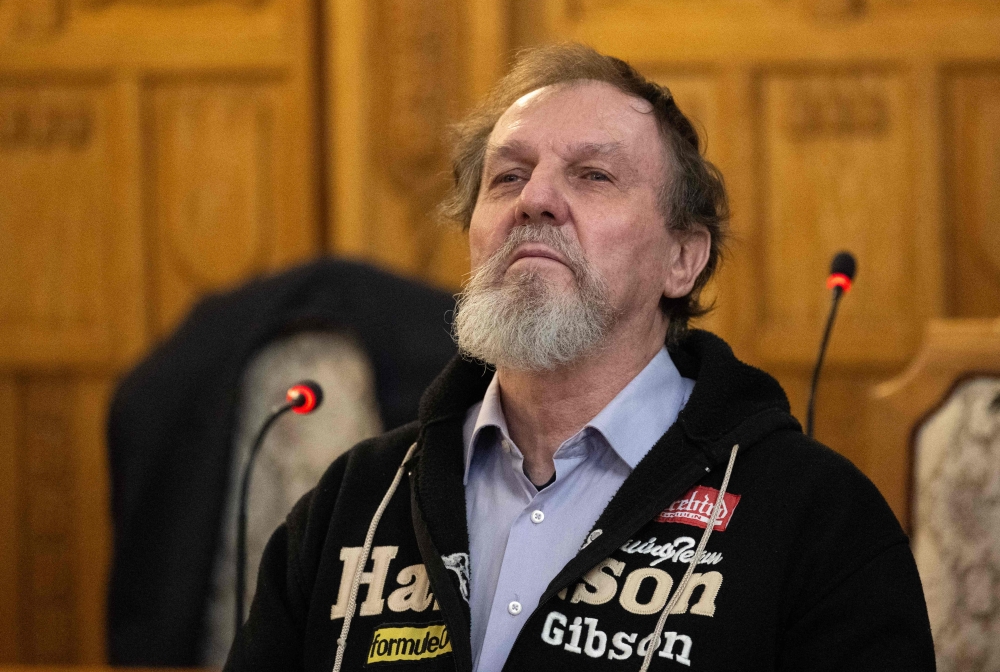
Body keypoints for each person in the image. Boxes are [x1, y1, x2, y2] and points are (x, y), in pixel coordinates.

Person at [225, 44, 935, 671]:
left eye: (593, 175)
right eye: (507, 177)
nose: (534, 199)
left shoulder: (814, 517)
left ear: (682, 259)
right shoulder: (354, 504)